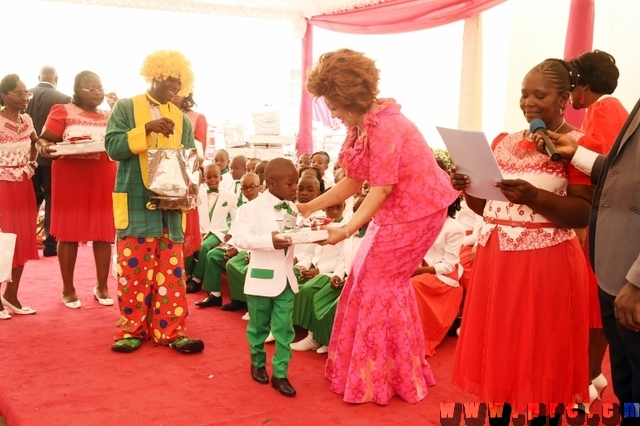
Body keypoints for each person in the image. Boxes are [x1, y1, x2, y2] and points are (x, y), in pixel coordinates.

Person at [299, 48, 459, 405]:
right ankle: (393, 372)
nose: (334, 114)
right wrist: (310, 204)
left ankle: (380, 379)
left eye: (334, 106)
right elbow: (353, 182)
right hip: (396, 210)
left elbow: (382, 187)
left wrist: (347, 228)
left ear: (348, 99)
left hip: (418, 211)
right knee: (363, 278)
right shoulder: (362, 125)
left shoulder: (386, 126)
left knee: (377, 283)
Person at [451, 59, 595, 423]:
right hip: (497, 259)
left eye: (539, 95)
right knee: (501, 351)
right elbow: (486, 208)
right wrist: (468, 187)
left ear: (563, 98)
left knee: (541, 355)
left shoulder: (578, 146)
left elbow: (582, 212)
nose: (528, 102)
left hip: (546, 262)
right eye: (524, 94)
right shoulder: (503, 141)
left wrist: (533, 197)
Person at [533, 98, 640, 418]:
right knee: (628, 384)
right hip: (613, 269)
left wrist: (637, 282)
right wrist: (576, 154)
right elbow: (622, 173)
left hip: (632, 280)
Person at [104, 49, 203, 354]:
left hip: (170, 211)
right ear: (155, 76)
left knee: (172, 273)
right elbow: (112, 147)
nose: (175, 87)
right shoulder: (125, 107)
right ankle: (130, 330)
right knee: (134, 270)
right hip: (135, 204)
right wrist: (146, 130)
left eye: (179, 83)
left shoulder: (182, 119)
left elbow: (187, 161)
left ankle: (170, 331)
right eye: (170, 81)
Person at [568, 49, 629, 408]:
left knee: (593, 305)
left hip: (601, 222)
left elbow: (599, 162)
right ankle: (593, 375)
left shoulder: (603, 109)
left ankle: (589, 376)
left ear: (583, 86)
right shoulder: (613, 108)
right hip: (607, 221)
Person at [36, 71, 116, 309]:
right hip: (71, 178)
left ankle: (101, 286)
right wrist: (45, 148)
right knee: (69, 232)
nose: (97, 91)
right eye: (91, 88)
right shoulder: (63, 110)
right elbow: (43, 139)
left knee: (103, 232)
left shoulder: (109, 115)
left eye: (99, 87)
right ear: (78, 90)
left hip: (103, 176)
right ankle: (68, 288)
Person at [232, 158, 299, 397]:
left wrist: (313, 235)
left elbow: (294, 235)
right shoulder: (249, 208)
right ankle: (257, 362)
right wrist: (268, 240)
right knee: (258, 327)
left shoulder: (292, 207)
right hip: (261, 277)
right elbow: (239, 238)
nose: (295, 189)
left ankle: (280, 374)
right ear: (271, 183)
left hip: (287, 278)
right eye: (291, 183)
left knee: (284, 329)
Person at [0, 74, 39, 318]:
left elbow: (36, 142)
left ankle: (11, 295)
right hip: (2, 185)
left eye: (26, 93)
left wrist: (33, 162)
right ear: (4, 96)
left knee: (22, 237)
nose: (25, 97)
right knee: (4, 239)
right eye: (19, 93)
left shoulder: (27, 120)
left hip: (23, 184)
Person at [196, 172, 262, 310]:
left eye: (252, 187)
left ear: (260, 187)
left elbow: (260, 235)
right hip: (236, 245)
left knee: (231, 264)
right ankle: (215, 294)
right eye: (244, 188)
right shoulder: (243, 207)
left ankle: (239, 299)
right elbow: (236, 229)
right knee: (212, 255)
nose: (248, 191)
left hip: (252, 249)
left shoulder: (264, 209)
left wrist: (238, 249)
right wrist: (229, 244)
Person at [25, 65, 71, 257]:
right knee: (53, 201)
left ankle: (26, 244)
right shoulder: (64, 99)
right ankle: (50, 245)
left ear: (38, 77)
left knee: (30, 202)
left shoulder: (23, 95)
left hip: (27, 158)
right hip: (53, 158)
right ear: (56, 79)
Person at [411, 193, 464, 356]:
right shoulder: (423, 223)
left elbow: (449, 265)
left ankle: (414, 339)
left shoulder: (455, 228)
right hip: (421, 270)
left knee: (412, 285)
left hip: (443, 277)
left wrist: (418, 271)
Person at [290, 202, 346, 352]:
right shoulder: (320, 225)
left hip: (330, 272)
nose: (334, 211)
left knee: (308, 290)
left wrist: (319, 270)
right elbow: (309, 252)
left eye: (338, 207)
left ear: (345, 207)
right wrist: (306, 267)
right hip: (315, 268)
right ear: (324, 208)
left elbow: (343, 259)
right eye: (330, 207)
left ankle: (312, 337)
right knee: (288, 279)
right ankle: (282, 325)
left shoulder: (346, 229)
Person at [185, 164, 236, 294]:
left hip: (219, 231)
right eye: (209, 177)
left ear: (221, 178)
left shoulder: (229, 196)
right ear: (203, 179)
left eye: (215, 177)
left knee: (204, 246)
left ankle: (196, 279)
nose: (212, 180)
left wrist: (231, 233)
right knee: (187, 245)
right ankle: (188, 272)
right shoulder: (198, 194)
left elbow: (236, 218)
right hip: (201, 229)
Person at [172, 91, 208, 272]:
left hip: (186, 177)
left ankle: (180, 272)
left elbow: (200, 152)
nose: (176, 92)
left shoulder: (196, 118)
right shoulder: (153, 113)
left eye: (180, 87)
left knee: (184, 224)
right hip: (156, 177)